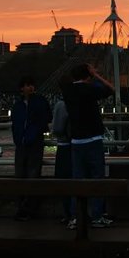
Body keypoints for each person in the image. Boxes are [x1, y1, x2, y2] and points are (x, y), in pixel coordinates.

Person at [63, 62, 115, 229]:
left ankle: (75, 217)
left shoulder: (68, 90)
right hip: (93, 139)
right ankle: (97, 216)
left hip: (76, 141)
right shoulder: (90, 89)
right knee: (97, 179)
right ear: (87, 76)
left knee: (77, 180)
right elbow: (111, 89)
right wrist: (96, 75)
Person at [10, 74, 52, 220]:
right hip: (21, 144)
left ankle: (28, 210)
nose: (31, 87)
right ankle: (22, 208)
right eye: (27, 85)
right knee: (20, 176)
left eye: (32, 84)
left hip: (34, 143)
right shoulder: (18, 105)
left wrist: (36, 131)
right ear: (22, 88)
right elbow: (15, 124)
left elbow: (48, 117)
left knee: (33, 176)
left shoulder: (40, 101)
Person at [50, 86, 74, 224]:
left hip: (64, 146)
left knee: (63, 180)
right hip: (76, 145)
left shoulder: (61, 104)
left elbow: (57, 128)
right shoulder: (77, 102)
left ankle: (68, 213)